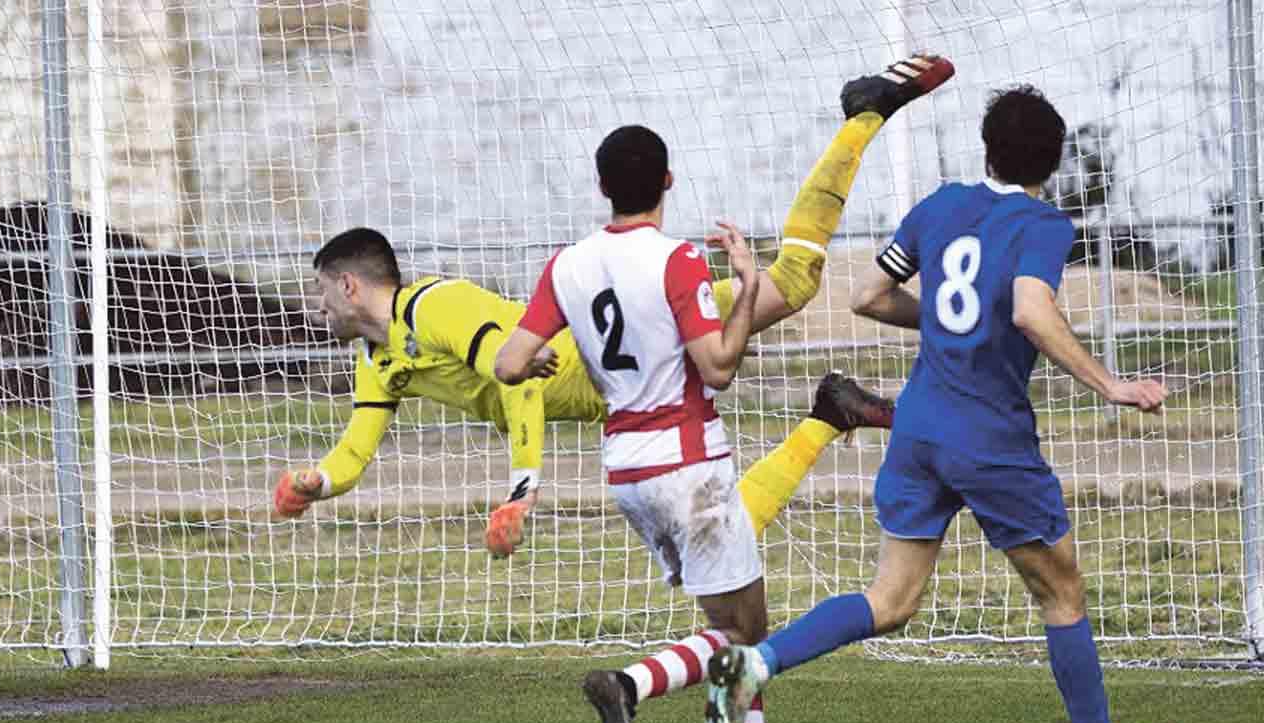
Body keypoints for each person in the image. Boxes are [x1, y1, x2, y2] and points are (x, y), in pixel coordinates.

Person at [492, 56, 954, 723]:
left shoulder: (566, 265)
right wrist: (740, 286)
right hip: (687, 460)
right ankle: (635, 686)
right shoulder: (677, 260)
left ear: (603, 187)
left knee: (731, 624)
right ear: (668, 182)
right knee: (747, 633)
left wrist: (541, 354)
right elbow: (719, 366)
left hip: (626, 469)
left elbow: (511, 363)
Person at [703, 85, 1181, 723]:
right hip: (988, 436)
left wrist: (945, 327)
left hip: (918, 426)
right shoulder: (1044, 223)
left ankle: (756, 665)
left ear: (985, 149)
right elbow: (1029, 308)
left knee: (890, 600)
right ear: (1050, 162)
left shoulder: (940, 206)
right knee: (1062, 591)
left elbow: (867, 296)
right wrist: (1108, 384)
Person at [271, 60, 957, 560]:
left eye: (320, 288)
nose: (315, 304)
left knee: (791, 288)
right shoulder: (377, 356)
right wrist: (317, 482)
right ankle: (826, 414)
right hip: (631, 387)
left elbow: (521, 387)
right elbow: (358, 448)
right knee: (714, 546)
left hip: (645, 348)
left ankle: (863, 119)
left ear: (351, 285)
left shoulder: (437, 307)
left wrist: (522, 488)